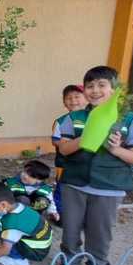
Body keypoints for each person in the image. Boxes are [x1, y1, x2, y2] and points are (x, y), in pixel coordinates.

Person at [57, 66, 133, 265]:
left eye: (101, 85)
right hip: (74, 184)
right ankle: (69, 264)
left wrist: (116, 150)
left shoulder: (129, 120)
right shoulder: (75, 118)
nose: (94, 90)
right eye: (89, 86)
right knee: (70, 229)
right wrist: (86, 137)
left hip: (109, 187)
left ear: (114, 89)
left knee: (100, 232)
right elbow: (64, 149)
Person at [0, 182, 53, 265]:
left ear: (2, 204)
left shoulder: (12, 224)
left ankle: (19, 261)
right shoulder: (21, 207)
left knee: (5, 232)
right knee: (5, 232)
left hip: (35, 251)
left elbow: (4, 250)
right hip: (42, 244)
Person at [51, 85, 86, 221]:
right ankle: (60, 214)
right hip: (65, 162)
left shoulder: (92, 119)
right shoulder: (61, 121)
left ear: (86, 99)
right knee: (62, 187)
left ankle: (79, 214)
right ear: (64, 103)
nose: (73, 100)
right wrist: (73, 145)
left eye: (77, 97)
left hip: (84, 163)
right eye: (68, 98)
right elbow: (55, 141)